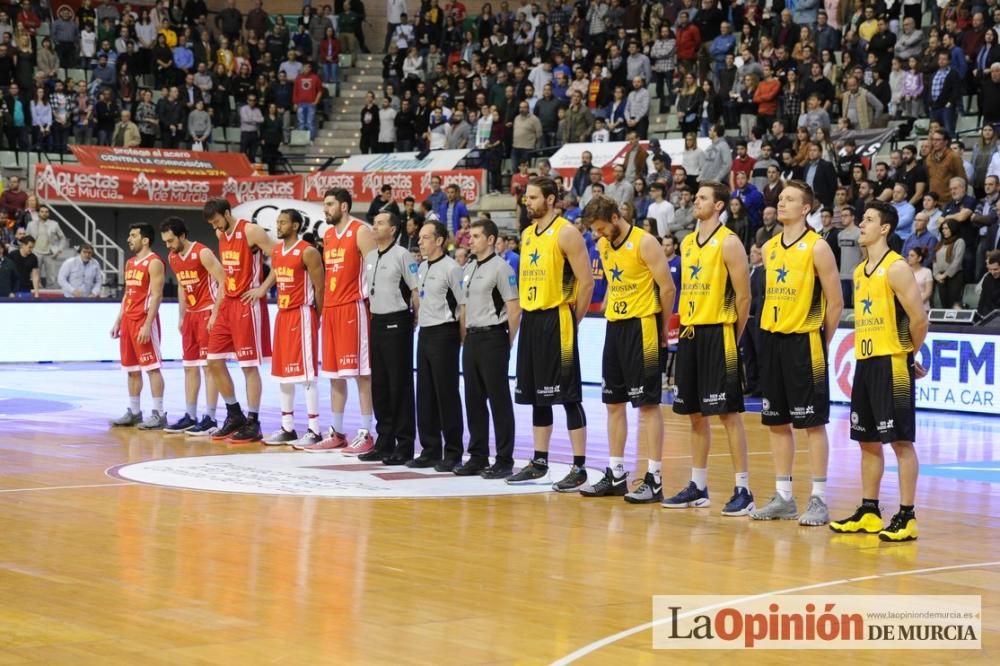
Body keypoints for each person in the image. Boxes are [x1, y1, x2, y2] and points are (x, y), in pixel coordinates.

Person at [830, 201, 928, 542]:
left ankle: (907, 515)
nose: (862, 225)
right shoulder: (859, 271)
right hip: (866, 361)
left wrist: (906, 355)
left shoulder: (896, 268)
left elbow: (919, 319)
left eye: (868, 220)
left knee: (901, 441)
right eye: (862, 219)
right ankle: (870, 511)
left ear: (885, 228)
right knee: (867, 441)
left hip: (891, 362)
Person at [750, 181, 843, 526]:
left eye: (790, 199)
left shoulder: (817, 247)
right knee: (777, 422)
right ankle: (784, 497)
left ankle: (818, 498)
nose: (781, 203)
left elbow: (835, 302)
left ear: (806, 208)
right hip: (772, 340)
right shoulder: (770, 247)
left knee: (813, 423)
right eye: (781, 198)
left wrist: (822, 341)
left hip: (805, 341)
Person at [663, 181, 755, 516]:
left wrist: (732, 333)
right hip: (690, 333)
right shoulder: (687, 243)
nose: (695, 201)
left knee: (728, 414)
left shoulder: (728, 242)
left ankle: (743, 488)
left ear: (718, 206)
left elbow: (744, 297)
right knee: (695, 415)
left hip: (720, 332)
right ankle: (698, 486)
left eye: (702, 198)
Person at [578, 195, 675, 503]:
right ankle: (617, 473)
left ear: (616, 219)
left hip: (643, 325)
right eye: (594, 230)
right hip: (615, 326)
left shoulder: (645, 243)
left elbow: (668, 288)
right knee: (613, 403)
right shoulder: (604, 246)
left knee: (647, 405)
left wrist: (661, 327)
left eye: (601, 228)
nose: (597, 235)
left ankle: (655, 478)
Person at [506, 177, 595, 491]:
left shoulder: (567, 233)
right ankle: (539, 461)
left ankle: (580, 466)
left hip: (558, 318)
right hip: (532, 319)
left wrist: (574, 319)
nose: (526, 202)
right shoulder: (528, 234)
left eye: (532, 197)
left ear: (551, 199)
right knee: (535, 395)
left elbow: (586, 283)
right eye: (526, 197)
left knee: (568, 395)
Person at [301, 189, 377, 453]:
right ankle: (337, 431)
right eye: (325, 204)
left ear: (344, 206)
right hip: (331, 309)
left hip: (353, 309)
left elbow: (375, 271)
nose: (325, 209)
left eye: (330, 204)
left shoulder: (361, 231)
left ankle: (366, 432)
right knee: (334, 376)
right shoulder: (329, 235)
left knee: (361, 374)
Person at [203, 197, 275, 443]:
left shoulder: (251, 231)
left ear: (226, 213)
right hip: (227, 305)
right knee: (213, 361)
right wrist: (215, 310)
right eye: (212, 224)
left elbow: (281, 256)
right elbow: (226, 275)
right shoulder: (221, 235)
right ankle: (235, 414)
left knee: (248, 366)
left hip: (247, 304)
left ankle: (254, 422)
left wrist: (263, 287)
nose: (216, 227)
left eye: (217, 221)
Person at [459, 218, 521, 478]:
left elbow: (514, 308)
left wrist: (506, 343)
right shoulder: (469, 268)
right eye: (470, 236)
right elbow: (464, 307)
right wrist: (465, 339)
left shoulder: (502, 268)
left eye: (475, 236)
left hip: (493, 338)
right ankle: (478, 455)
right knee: (473, 400)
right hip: (472, 340)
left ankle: (504, 459)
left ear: (491, 239)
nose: (469, 240)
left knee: (499, 401)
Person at [407, 220, 466, 470]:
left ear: (440, 240)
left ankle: (452, 452)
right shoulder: (420, 268)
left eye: (426, 237)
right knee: (426, 394)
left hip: (445, 333)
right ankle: (430, 449)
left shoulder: (452, 269)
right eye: (419, 237)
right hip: (426, 333)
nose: (420, 242)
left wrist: (459, 339)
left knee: (447, 394)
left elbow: (463, 306)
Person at [363, 211, 420, 464]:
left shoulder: (403, 255)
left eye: (380, 223)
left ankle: (404, 444)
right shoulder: (370, 256)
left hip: (398, 323)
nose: (374, 227)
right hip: (377, 322)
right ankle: (383, 441)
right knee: (381, 386)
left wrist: (414, 320)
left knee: (400, 386)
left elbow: (416, 290)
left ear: (394, 229)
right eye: (374, 223)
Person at [160, 218, 225, 436]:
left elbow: (223, 279)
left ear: (182, 236)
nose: (168, 245)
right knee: (189, 366)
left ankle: (211, 417)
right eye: (165, 242)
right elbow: (181, 285)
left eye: (170, 240)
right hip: (190, 315)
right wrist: (181, 315)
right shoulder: (173, 257)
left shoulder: (202, 253)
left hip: (207, 311)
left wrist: (216, 313)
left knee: (209, 367)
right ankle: (190, 415)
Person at [109, 223, 166, 430]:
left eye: (133, 235)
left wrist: (147, 324)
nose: (128, 239)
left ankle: (159, 414)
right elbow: (127, 294)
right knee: (132, 369)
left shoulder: (154, 262)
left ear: (145, 240)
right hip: (128, 321)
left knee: (151, 368)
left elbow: (157, 296)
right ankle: (134, 412)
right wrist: (118, 321)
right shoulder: (131, 263)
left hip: (144, 321)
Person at [7, 234, 40, 298]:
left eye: (32, 247)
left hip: (26, 288)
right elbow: (7, 273)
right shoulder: (12, 255)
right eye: (29, 247)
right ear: (23, 245)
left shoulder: (33, 258)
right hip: (12, 288)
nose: (31, 249)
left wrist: (36, 293)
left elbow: (35, 276)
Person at [908, 247, 934, 311]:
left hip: (923, 307)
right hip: (907, 307)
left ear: (919, 258)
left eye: (912, 255)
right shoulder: (905, 272)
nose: (909, 257)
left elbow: (928, 292)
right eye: (908, 255)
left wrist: (916, 303)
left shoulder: (927, 272)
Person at [978, 250, 1000, 318]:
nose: (992, 272)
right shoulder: (987, 278)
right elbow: (982, 303)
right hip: (988, 318)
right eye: (990, 269)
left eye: (996, 269)